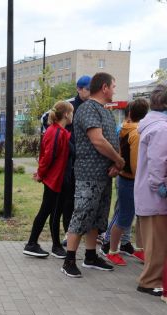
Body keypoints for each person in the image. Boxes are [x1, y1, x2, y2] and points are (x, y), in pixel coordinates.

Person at [61, 72, 125, 278]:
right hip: (89, 173)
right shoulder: (88, 108)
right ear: (104, 87)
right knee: (82, 213)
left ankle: (90, 256)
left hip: (104, 173)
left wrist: (116, 163)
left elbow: (111, 139)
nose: (115, 90)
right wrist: (118, 160)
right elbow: (97, 140)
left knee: (98, 216)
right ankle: (69, 260)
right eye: (113, 86)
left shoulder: (105, 111)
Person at [100, 98, 150, 266]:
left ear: (129, 113)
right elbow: (135, 163)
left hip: (126, 178)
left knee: (138, 217)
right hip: (131, 180)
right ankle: (112, 250)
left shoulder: (125, 128)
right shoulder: (136, 133)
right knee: (124, 218)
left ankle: (139, 249)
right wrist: (141, 178)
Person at [23, 101, 74, 258]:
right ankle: (33, 244)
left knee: (51, 211)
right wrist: (41, 174)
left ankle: (53, 246)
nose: (73, 115)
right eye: (71, 112)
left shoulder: (58, 131)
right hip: (54, 180)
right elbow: (48, 157)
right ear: (66, 114)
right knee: (47, 211)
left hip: (57, 179)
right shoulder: (56, 132)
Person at [134, 84, 167, 297]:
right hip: (155, 195)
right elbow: (159, 162)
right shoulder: (162, 128)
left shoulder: (151, 124)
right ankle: (149, 281)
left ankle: (150, 277)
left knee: (152, 240)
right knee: (157, 241)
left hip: (147, 193)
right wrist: (161, 187)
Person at [54, 75, 92, 246]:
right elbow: (48, 121)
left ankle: (86, 231)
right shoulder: (70, 106)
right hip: (70, 161)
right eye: (88, 89)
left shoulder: (93, 106)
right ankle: (68, 233)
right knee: (69, 198)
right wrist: (69, 146)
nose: (90, 92)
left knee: (84, 198)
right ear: (79, 89)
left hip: (88, 161)